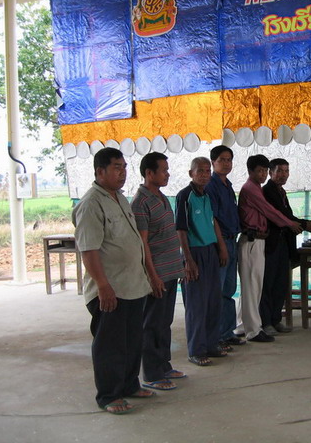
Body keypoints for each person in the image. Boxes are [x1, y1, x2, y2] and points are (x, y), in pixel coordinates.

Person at [72, 147, 153, 415]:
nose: (123, 172)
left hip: (133, 285)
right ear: (100, 171)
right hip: (111, 289)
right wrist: (103, 285)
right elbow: (89, 250)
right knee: (110, 345)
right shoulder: (91, 204)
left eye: (124, 167)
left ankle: (129, 385)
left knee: (132, 341)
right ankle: (109, 395)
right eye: (117, 167)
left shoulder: (119, 198)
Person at [131, 152, 186, 392]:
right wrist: (152, 276)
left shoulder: (161, 197)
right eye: (163, 170)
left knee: (165, 322)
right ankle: (152, 374)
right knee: (152, 324)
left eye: (167, 169)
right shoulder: (140, 203)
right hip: (157, 274)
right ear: (149, 173)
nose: (167, 174)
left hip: (171, 270)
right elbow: (142, 243)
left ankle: (164, 366)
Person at [235, 154, 302, 343]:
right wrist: (290, 223)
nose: (263, 174)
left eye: (265, 171)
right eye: (260, 171)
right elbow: (270, 211)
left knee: (252, 286)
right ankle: (254, 330)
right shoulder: (251, 189)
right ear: (250, 171)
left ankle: (242, 325)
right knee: (254, 287)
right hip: (252, 240)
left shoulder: (257, 188)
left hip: (259, 240)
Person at [176, 157, 228, 366]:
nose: (205, 175)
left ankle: (211, 344)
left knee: (213, 301)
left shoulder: (206, 195)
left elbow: (213, 222)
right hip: (194, 252)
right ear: (191, 173)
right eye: (200, 171)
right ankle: (196, 350)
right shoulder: (184, 196)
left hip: (210, 251)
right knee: (196, 304)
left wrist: (221, 247)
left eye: (207, 171)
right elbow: (181, 229)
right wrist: (188, 260)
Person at [260, 158, 311, 335]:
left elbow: (288, 216)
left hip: (283, 242)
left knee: (281, 283)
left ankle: (276, 319)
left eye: (286, 171)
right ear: (270, 173)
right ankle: (265, 322)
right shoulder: (267, 191)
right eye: (279, 171)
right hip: (271, 243)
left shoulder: (281, 192)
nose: (283, 175)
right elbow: (282, 216)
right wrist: (305, 224)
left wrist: (302, 224)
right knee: (268, 283)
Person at [205, 145, 245, 349]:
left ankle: (228, 333)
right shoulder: (210, 186)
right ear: (213, 162)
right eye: (222, 160)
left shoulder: (228, 185)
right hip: (220, 242)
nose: (226, 163)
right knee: (218, 291)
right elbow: (213, 219)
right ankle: (216, 337)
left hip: (232, 240)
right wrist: (221, 247)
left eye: (229, 160)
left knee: (229, 290)